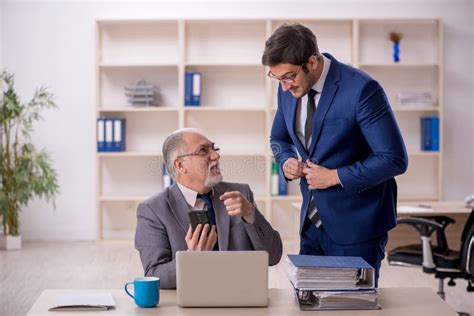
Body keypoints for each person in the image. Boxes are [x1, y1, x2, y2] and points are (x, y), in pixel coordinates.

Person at [262, 23, 408, 284]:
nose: (284, 86)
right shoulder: (287, 90)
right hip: (311, 225)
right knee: (309, 303)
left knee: (352, 306)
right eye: (277, 78)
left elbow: (393, 158)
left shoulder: (361, 90)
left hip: (357, 226)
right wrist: (285, 161)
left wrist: (335, 176)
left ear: (312, 61)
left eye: (289, 76)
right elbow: (278, 138)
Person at [135, 128, 283, 289]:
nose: (215, 155)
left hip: (240, 299)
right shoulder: (153, 210)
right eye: (203, 150)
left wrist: (250, 214)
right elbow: (155, 276)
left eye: (214, 148)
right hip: (189, 304)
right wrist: (191, 258)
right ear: (180, 165)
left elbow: (273, 256)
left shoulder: (240, 194)